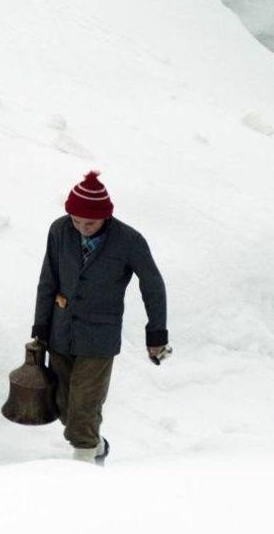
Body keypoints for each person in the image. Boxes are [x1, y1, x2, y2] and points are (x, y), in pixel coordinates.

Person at [31, 170, 171, 465]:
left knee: (84, 406)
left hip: (99, 337)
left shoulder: (129, 241)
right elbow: (48, 280)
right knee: (65, 406)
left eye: (90, 222)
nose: (82, 227)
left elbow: (152, 285)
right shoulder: (59, 231)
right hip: (61, 332)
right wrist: (40, 327)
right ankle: (96, 446)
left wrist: (156, 334)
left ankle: (84, 470)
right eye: (76, 220)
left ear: (105, 216)